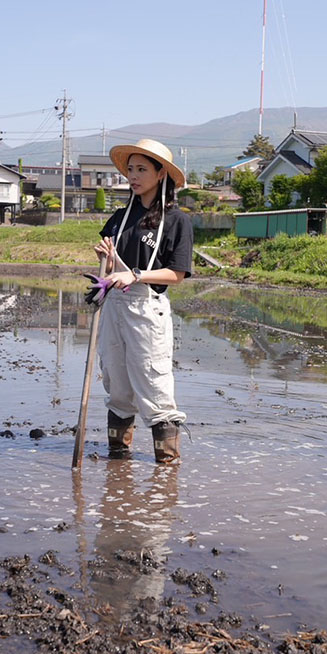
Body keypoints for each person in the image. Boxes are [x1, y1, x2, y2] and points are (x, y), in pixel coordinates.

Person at [94, 138, 193, 464]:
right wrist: (106, 264)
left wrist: (135, 275)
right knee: (117, 385)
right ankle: (118, 466)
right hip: (114, 306)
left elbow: (177, 274)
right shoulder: (121, 217)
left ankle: (167, 468)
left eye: (141, 170)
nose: (133, 176)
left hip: (146, 309)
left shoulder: (176, 220)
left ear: (161, 173)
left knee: (154, 383)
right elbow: (110, 269)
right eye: (131, 169)